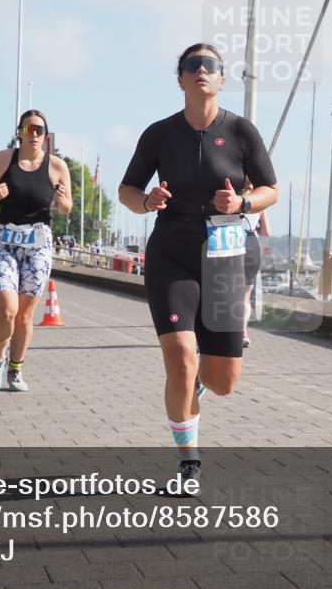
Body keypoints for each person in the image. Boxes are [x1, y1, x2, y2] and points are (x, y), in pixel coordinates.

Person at [118, 43, 278, 485]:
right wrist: (146, 201)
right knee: (181, 359)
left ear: (222, 79)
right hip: (173, 250)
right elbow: (126, 190)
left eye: (211, 66)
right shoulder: (159, 134)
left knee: (223, 381)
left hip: (227, 254)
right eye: (193, 65)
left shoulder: (242, 131)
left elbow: (271, 190)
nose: (201, 70)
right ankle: (189, 463)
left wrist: (243, 201)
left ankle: (202, 381)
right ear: (181, 78)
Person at [0, 109, 72, 392]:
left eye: (39, 131)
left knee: (24, 316)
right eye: (29, 129)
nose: (34, 135)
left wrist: (61, 199)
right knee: (7, 310)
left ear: (46, 136)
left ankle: (16, 369)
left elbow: (68, 208)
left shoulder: (57, 166)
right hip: (6, 242)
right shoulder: (1, 159)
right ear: (19, 132)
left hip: (38, 247)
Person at [241, 202, 271, 348]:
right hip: (251, 243)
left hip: (229, 242)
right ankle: (242, 332)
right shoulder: (259, 202)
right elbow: (265, 231)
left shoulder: (230, 198)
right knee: (245, 296)